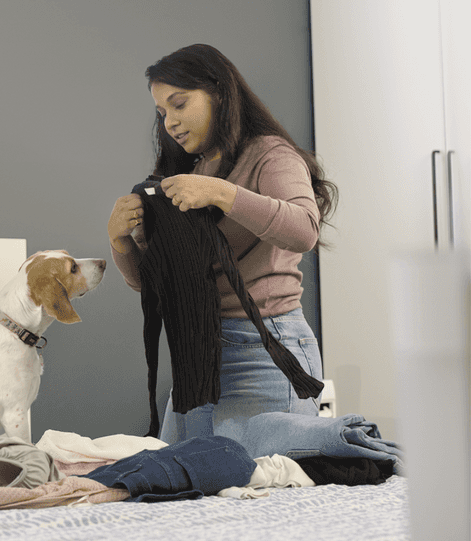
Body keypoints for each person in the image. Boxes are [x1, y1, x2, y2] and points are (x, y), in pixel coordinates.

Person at [107, 44, 337, 444]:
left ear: (219, 91)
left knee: (264, 488)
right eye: (163, 113)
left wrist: (221, 193)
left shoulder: (270, 155)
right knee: (184, 485)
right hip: (199, 354)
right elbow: (153, 284)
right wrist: (120, 241)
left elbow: (303, 230)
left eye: (179, 104)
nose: (171, 123)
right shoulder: (190, 172)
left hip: (265, 351)